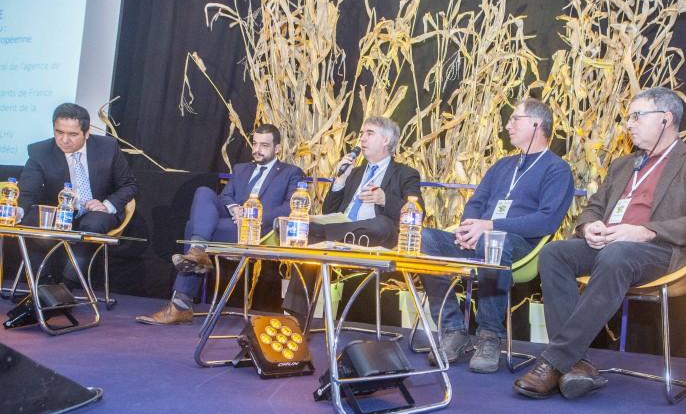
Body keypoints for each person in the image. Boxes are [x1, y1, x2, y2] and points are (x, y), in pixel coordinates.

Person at [513, 87, 686, 400]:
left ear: (666, 119)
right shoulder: (623, 165)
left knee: (617, 255)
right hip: (609, 245)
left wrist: (646, 231)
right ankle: (576, 364)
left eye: (637, 116)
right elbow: (594, 206)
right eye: (628, 118)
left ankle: (554, 362)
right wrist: (589, 225)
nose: (629, 124)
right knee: (554, 253)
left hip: (659, 250)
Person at [420, 98, 574, 374]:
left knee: (493, 242)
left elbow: (547, 220)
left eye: (515, 119)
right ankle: (453, 329)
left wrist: (488, 226)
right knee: (425, 239)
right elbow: (476, 203)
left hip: (521, 245)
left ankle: (490, 336)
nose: (507, 125)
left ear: (536, 124)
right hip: (478, 238)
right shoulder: (503, 165)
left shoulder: (557, 169)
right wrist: (468, 228)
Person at [136, 124, 304, 325]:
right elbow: (225, 196)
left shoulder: (291, 172)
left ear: (277, 148)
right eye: (255, 144)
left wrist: (252, 215)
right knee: (204, 192)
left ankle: (181, 303)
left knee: (192, 227)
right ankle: (197, 252)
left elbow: (290, 207)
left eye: (264, 145)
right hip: (232, 219)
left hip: (258, 230)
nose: (257, 150)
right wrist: (234, 209)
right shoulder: (241, 169)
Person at [281, 116, 423, 322]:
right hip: (343, 235)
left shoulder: (405, 174)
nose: (362, 139)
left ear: (386, 140)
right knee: (311, 236)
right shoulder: (354, 173)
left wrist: (385, 199)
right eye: (362, 133)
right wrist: (340, 180)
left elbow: (418, 212)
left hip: (376, 238)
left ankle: (319, 234)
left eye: (369, 133)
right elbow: (329, 211)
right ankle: (296, 319)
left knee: (382, 224)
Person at [19, 103, 138, 288]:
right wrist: (19, 210)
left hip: (96, 212)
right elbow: (28, 191)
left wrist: (107, 205)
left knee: (93, 224)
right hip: (60, 212)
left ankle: (67, 285)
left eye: (73, 134)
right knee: (31, 219)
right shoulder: (40, 152)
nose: (64, 140)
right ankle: (41, 285)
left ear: (86, 133)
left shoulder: (107, 147)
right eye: (59, 132)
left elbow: (129, 185)